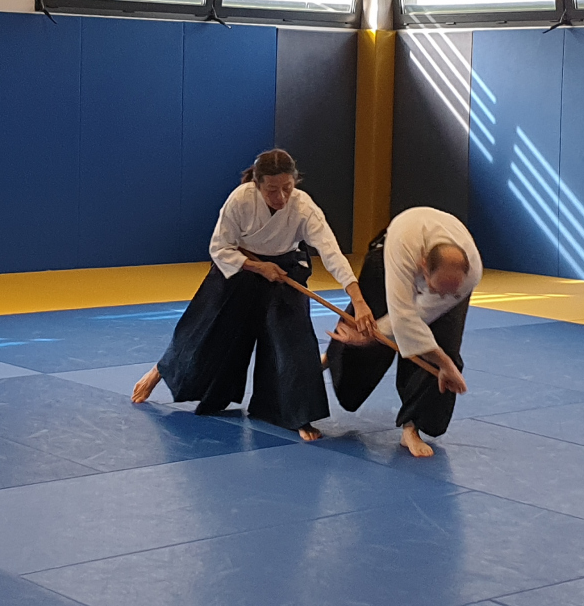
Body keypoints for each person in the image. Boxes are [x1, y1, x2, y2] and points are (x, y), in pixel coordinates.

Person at [132, 149, 373, 440]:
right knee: (205, 330)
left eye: (287, 187)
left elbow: (331, 253)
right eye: (272, 190)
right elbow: (219, 248)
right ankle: (160, 370)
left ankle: (296, 414)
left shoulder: (304, 207)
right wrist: (258, 267)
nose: (281, 197)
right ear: (257, 184)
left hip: (285, 267)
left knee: (293, 340)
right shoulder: (241, 200)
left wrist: (358, 301)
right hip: (240, 265)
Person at [323, 206, 479, 458]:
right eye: (438, 288)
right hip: (388, 254)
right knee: (366, 326)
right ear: (423, 267)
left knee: (443, 344)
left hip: (443, 266)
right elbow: (404, 317)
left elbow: (418, 322)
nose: (442, 296)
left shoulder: (469, 275)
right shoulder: (403, 249)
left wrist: (445, 362)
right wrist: (371, 335)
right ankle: (332, 357)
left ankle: (412, 426)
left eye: (449, 290)